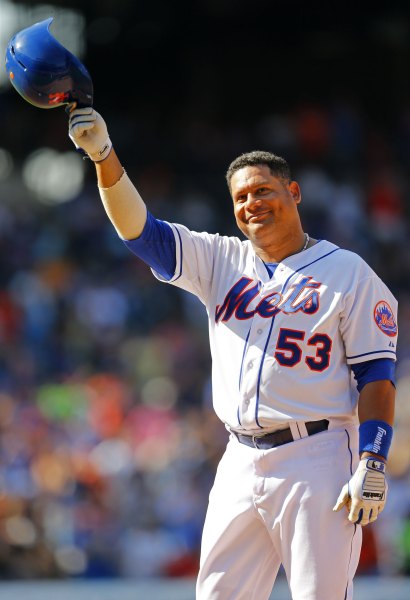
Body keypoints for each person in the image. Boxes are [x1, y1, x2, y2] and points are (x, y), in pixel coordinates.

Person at [68, 107, 397, 600]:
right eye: (241, 197)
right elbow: (141, 232)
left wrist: (373, 459)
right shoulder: (222, 258)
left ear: (294, 193)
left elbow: (376, 375)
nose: (252, 203)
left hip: (319, 455)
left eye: (263, 190)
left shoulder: (349, 272)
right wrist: (103, 156)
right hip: (239, 457)